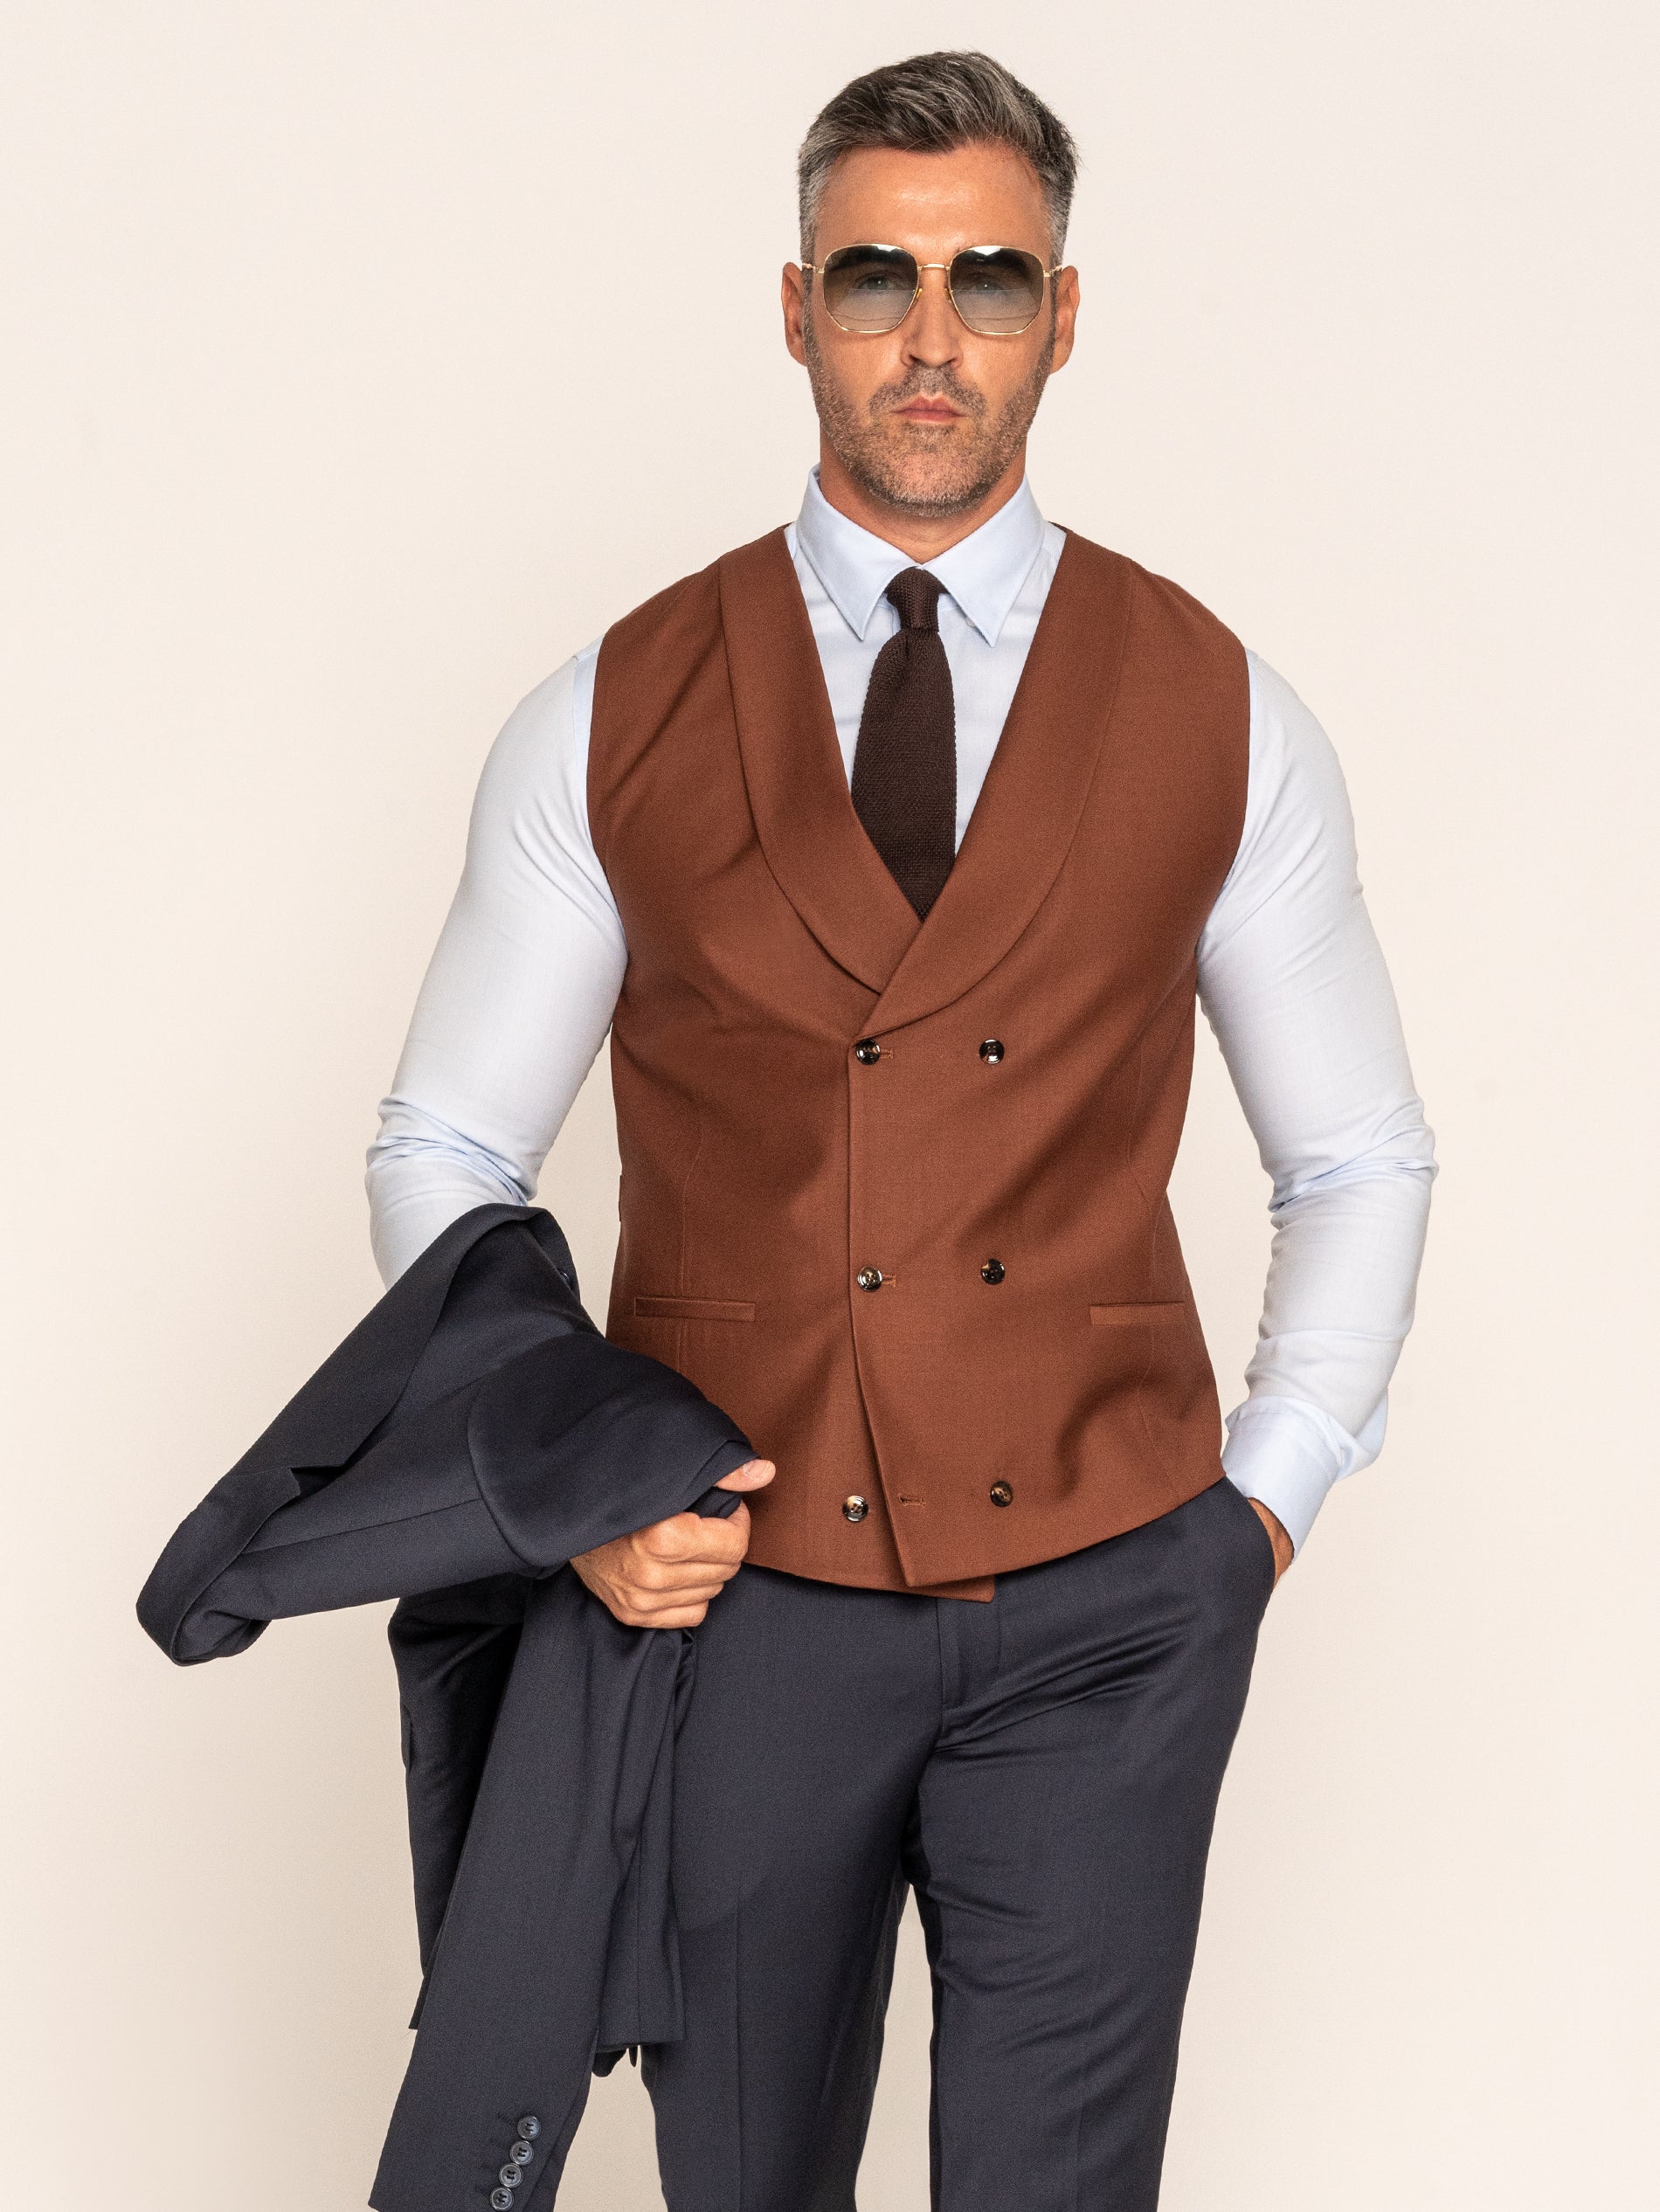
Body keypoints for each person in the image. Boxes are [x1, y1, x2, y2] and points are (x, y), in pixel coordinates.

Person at [365, 48, 1436, 2211]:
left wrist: (1255, 1510)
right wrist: (576, 1486)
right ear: (795, 310)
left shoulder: (1219, 707)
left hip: (1113, 1600)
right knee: (744, 2179)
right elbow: (444, 1148)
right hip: (746, 1605)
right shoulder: (608, 709)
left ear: (1062, 313)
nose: (930, 339)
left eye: (987, 281)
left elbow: (1357, 1159)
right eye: (876, 278)